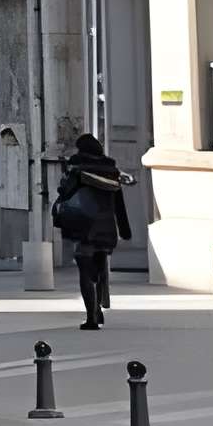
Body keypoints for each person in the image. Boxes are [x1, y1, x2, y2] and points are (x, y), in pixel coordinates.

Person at [52, 132, 135, 329]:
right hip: (106, 227)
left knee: (85, 271)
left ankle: (92, 317)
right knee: (99, 268)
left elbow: (65, 192)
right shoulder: (111, 168)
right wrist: (124, 231)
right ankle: (98, 308)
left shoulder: (77, 166)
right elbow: (119, 204)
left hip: (84, 225)